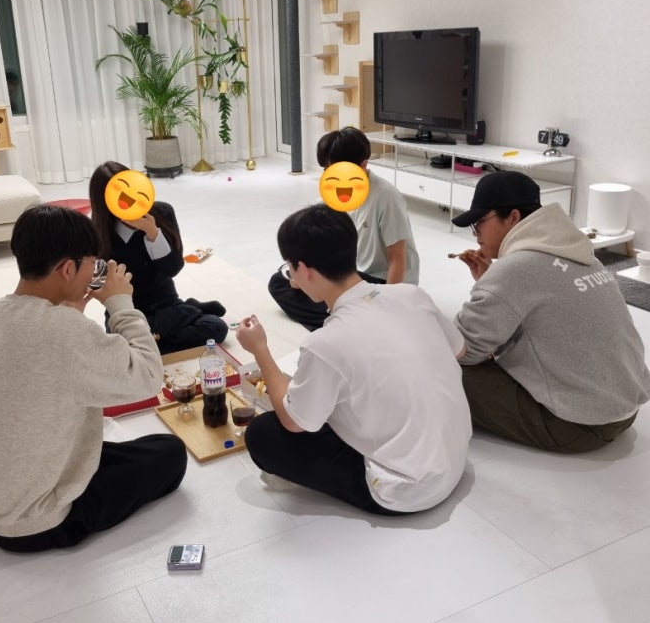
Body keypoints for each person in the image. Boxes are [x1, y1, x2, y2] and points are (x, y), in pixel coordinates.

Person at [0, 205, 187, 552]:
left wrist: (68, 313)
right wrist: (121, 304)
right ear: (68, 268)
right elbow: (148, 376)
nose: (96, 272)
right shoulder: (67, 332)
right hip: (34, 523)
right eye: (92, 264)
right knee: (170, 453)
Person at [236, 204, 471, 514]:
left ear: (304, 269)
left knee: (263, 433)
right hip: (455, 457)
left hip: (407, 490)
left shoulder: (325, 343)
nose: (291, 277)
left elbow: (294, 423)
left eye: (290, 267)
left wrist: (260, 350)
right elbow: (459, 350)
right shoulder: (412, 294)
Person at [451, 170, 650, 453]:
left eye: (479, 223)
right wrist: (491, 285)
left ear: (513, 217)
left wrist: (492, 287)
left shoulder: (515, 269)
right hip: (624, 409)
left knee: (440, 367)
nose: (477, 234)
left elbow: (463, 349)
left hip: (576, 425)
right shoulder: (581, 254)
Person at [268, 127, 420, 331]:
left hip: (380, 281)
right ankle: (349, 320)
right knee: (279, 283)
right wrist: (301, 277)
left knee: (334, 292)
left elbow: (398, 259)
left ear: (363, 165)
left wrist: (388, 307)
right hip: (350, 274)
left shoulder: (386, 197)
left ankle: (350, 320)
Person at [89, 161, 228, 354]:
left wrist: (152, 233)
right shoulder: (97, 230)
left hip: (167, 303)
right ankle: (190, 311)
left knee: (216, 328)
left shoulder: (163, 213)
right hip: (127, 311)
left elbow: (173, 268)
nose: (130, 200)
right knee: (122, 346)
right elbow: (96, 285)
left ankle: (162, 330)